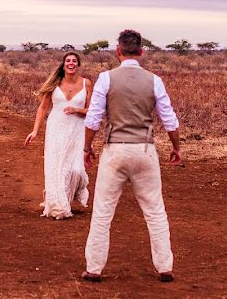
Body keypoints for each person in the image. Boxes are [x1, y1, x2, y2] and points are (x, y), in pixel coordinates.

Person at [81, 29, 182, 283]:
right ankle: (164, 267)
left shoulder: (106, 78)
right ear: (141, 52)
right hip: (145, 150)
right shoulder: (154, 80)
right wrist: (176, 148)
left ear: (118, 51)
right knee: (155, 210)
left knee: (103, 212)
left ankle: (94, 268)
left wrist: (87, 148)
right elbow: (169, 120)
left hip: (115, 149)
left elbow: (94, 119)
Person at [23, 51, 92, 219]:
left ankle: (66, 197)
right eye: (68, 60)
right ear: (63, 64)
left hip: (77, 130)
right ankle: (59, 205)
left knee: (76, 169)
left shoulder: (86, 84)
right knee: (56, 167)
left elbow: (92, 111)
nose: (71, 63)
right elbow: (43, 108)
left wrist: (77, 109)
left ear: (78, 64)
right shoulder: (55, 83)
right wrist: (35, 130)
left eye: (74, 61)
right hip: (56, 129)